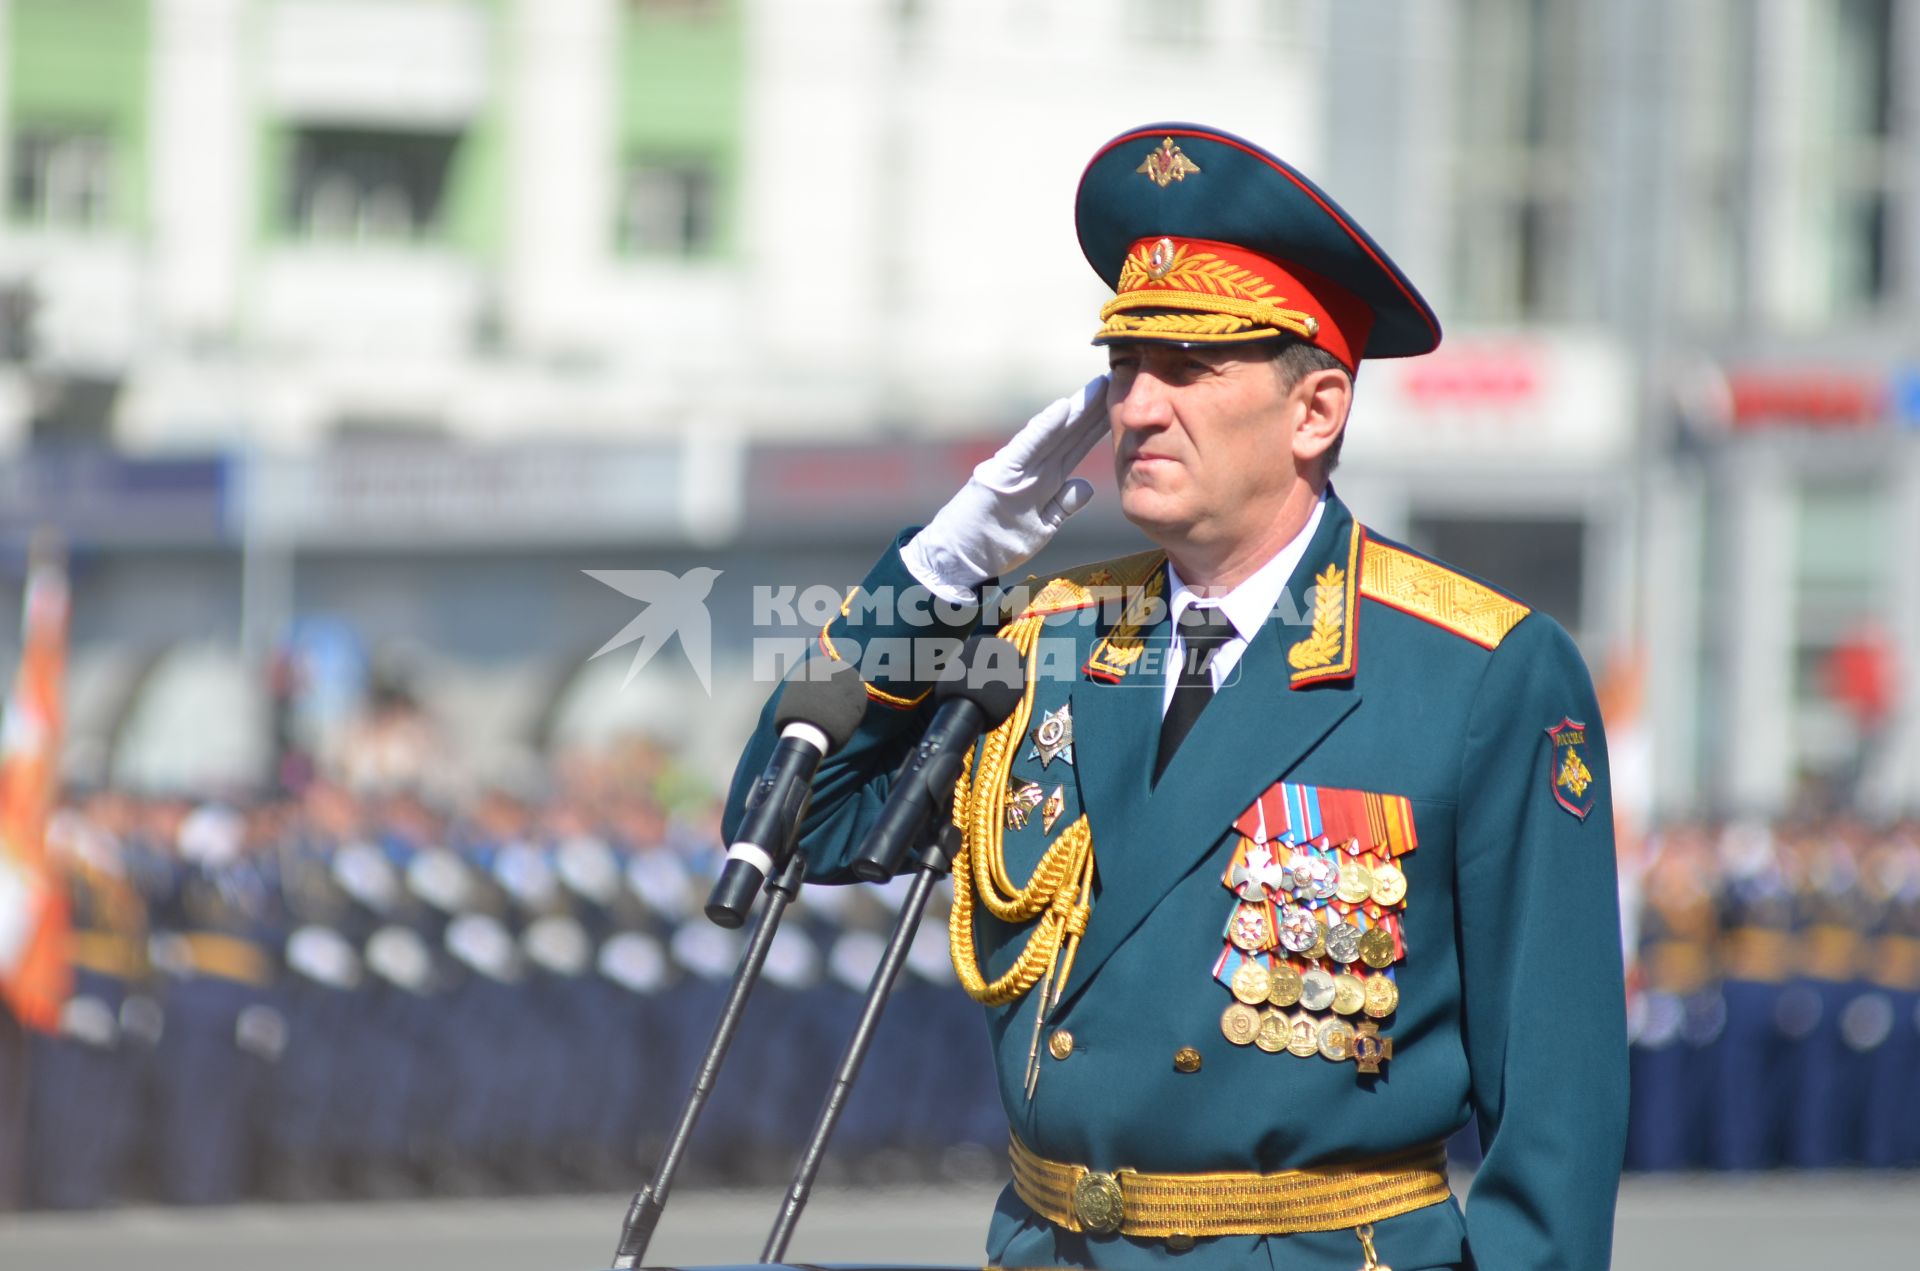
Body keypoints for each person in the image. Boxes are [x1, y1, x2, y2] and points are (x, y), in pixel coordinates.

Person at [726, 122, 1628, 1270]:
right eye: (1124, 368)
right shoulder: (1048, 636)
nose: (1138, 408)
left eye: (1191, 370)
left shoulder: (1475, 666)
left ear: (1317, 411)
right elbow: (785, 819)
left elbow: (1553, 1095)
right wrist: (938, 572)